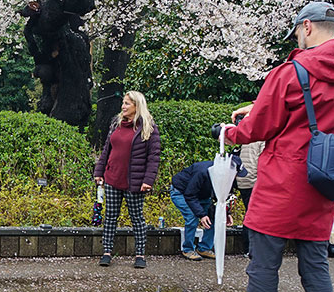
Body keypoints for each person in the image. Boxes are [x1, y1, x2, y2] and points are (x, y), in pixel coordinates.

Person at [221, 1, 334, 292]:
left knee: (263, 268)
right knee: (315, 272)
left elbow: (259, 128)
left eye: (298, 31)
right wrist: (258, 104)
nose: (297, 38)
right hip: (321, 183)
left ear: (307, 27)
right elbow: (315, 108)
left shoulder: (290, 71)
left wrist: (231, 132)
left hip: (281, 185)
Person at [92, 91, 161, 269]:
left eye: (127, 104)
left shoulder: (148, 127)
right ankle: (107, 252)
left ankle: (140, 255)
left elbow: (154, 157)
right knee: (110, 217)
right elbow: (107, 149)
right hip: (113, 177)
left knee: (137, 218)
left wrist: (148, 180)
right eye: (123, 103)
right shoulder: (116, 123)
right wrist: (98, 171)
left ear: (137, 106)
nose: (123, 106)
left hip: (135, 182)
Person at [171, 156, 247, 260]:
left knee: (214, 216)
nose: (236, 177)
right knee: (192, 216)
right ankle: (187, 249)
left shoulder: (228, 177)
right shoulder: (203, 172)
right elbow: (190, 195)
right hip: (182, 192)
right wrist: (202, 215)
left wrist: (227, 213)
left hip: (202, 194)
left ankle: (204, 248)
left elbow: (223, 196)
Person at [235, 141, 264, 258]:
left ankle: (247, 249)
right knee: (257, 216)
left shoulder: (248, 138)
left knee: (249, 214)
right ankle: (252, 249)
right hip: (254, 181)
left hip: (242, 180)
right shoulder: (262, 140)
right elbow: (264, 161)